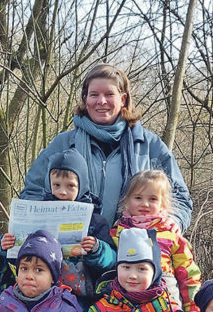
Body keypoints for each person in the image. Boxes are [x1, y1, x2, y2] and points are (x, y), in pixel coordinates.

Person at [20, 63, 192, 229]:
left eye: (109, 94)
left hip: (137, 253)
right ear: (85, 99)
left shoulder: (149, 146)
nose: (101, 101)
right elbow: (32, 194)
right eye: (94, 95)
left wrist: (170, 225)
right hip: (73, 253)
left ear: (123, 99)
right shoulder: (63, 145)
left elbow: (180, 199)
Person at [1, 149, 116, 310]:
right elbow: (20, 260)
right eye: (57, 185)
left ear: (81, 184)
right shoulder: (38, 213)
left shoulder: (95, 220)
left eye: (70, 186)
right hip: (42, 292)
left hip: (81, 294)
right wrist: (8, 246)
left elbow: (112, 261)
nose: (63, 191)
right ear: (49, 184)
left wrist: (97, 249)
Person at [111, 170, 201, 312]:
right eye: (138, 197)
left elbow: (188, 275)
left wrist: (193, 309)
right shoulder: (117, 233)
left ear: (163, 204)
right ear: (127, 201)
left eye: (153, 199)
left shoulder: (171, 235)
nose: (145, 204)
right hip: (127, 301)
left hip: (167, 300)